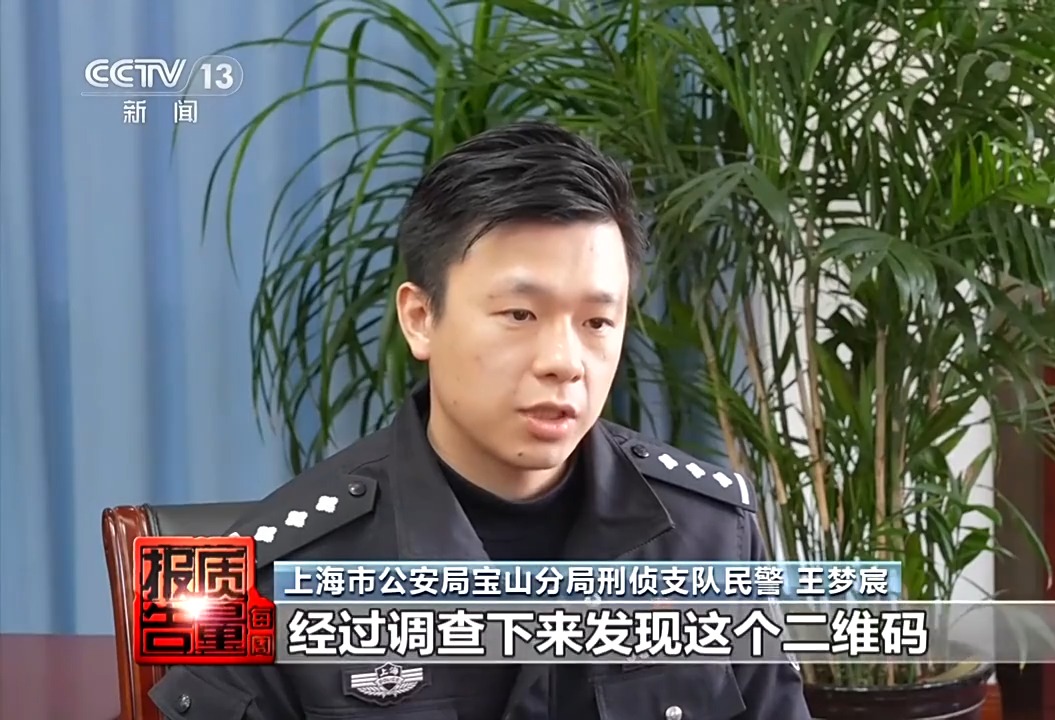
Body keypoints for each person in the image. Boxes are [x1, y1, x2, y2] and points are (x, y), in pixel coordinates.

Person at [148, 121, 812, 720]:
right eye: (519, 315)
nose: (564, 362)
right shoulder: (254, 578)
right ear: (420, 318)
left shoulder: (712, 535)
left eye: (597, 321)